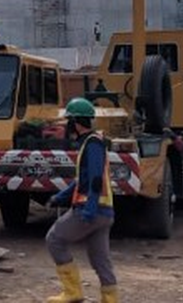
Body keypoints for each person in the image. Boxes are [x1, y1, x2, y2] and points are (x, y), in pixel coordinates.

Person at [45, 98, 117, 303]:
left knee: (55, 239)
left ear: (75, 122)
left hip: (91, 210)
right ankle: (110, 299)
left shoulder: (92, 144)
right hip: (105, 212)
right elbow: (82, 181)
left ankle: (72, 292)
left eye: (68, 121)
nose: (67, 126)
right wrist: (60, 197)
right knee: (100, 260)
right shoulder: (94, 142)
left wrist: (90, 208)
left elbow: (94, 179)